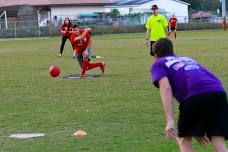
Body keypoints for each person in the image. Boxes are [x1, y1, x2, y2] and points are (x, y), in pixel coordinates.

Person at [150, 38, 228, 152]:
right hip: (219, 93)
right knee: (217, 139)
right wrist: (196, 126)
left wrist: (170, 120)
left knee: (183, 140)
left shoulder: (159, 64)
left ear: (155, 56)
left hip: (196, 96)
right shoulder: (187, 59)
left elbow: (166, 88)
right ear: (172, 51)